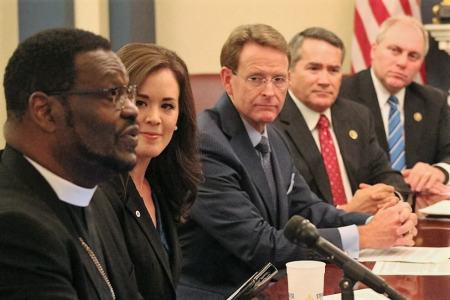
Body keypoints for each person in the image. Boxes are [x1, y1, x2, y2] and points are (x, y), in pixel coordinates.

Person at [177, 23, 417, 299]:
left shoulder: (274, 137)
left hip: (271, 287)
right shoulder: (206, 144)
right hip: (224, 293)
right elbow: (260, 244)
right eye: (256, 78)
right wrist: (364, 236)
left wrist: (379, 222)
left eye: (279, 79)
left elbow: (309, 209)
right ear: (228, 79)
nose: (270, 91)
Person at [0, 28, 143, 299]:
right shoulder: (15, 229)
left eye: (128, 92)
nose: (132, 109)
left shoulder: (97, 198)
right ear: (46, 112)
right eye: (112, 94)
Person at [100, 43, 202, 299]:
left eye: (167, 106)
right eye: (141, 102)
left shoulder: (162, 185)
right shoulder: (97, 192)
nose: (154, 118)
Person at [274, 27, 410, 215]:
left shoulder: (357, 116)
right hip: (315, 238)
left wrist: (392, 198)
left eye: (333, 70)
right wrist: (346, 212)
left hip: (370, 232)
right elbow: (281, 210)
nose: (324, 80)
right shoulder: (272, 124)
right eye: (314, 68)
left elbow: (386, 175)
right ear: (289, 72)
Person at [340, 15, 450, 194]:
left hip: (419, 206)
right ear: (374, 50)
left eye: (413, 56)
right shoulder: (343, 94)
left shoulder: (433, 101)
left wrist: (439, 171)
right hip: (362, 205)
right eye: (395, 50)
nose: (402, 63)